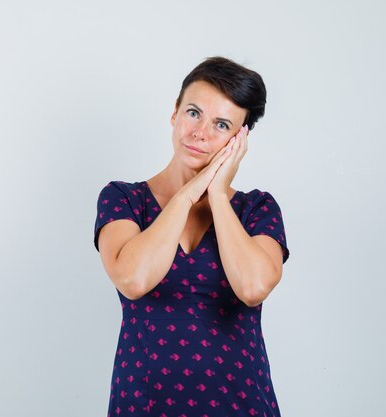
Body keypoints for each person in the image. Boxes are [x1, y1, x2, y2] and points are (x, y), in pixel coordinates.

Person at [93, 56, 290, 417]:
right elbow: (133, 279)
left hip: (241, 407)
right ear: (175, 112)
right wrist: (186, 195)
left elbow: (252, 287)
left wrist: (216, 195)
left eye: (221, 124)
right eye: (194, 113)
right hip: (144, 407)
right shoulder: (123, 199)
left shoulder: (256, 209)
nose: (200, 133)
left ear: (240, 138)